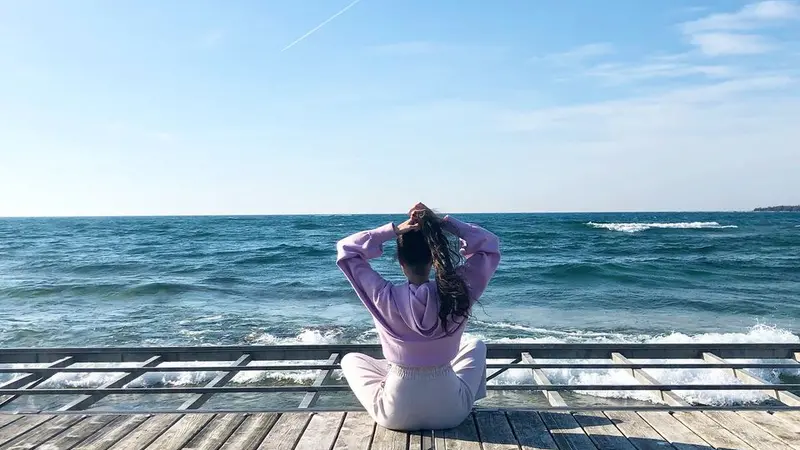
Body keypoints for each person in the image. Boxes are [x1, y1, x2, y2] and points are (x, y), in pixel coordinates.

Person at [336, 202, 501, 430]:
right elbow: (490, 246)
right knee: (477, 345)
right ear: (433, 260)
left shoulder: (385, 296)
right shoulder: (456, 293)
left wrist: (392, 231)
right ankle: (467, 400)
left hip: (394, 414)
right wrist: (443, 224)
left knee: (350, 360)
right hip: (452, 412)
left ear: (402, 263)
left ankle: (396, 368)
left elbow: (346, 249)